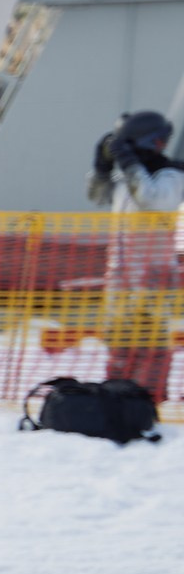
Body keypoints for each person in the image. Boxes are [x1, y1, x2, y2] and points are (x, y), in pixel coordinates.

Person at [87, 110, 181, 397]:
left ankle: (148, 400)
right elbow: (97, 196)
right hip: (120, 278)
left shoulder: (172, 176)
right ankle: (117, 396)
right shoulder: (126, 179)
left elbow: (152, 199)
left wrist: (130, 163)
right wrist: (102, 167)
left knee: (151, 343)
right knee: (119, 341)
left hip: (153, 277)